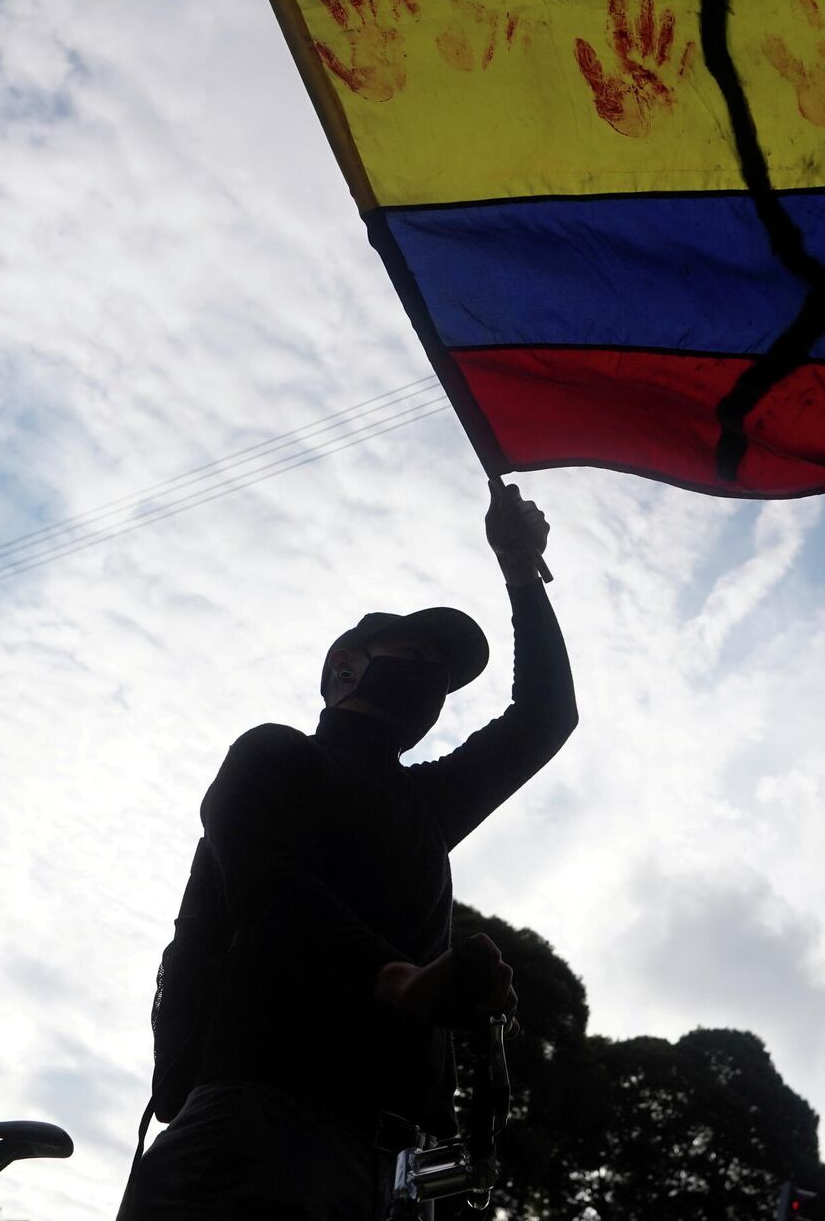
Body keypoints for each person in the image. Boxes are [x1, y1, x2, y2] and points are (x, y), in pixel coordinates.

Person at [117, 483, 576, 1220]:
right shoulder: (274, 756)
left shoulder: (426, 805)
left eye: (443, 675)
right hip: (253, 1126)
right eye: (414, 653)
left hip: (386, 1167)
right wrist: (397, 980)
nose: (431, 678)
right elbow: (274, 893)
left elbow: (545, 717)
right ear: (344, 670)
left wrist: (520, 573)